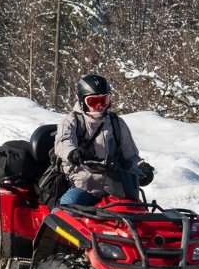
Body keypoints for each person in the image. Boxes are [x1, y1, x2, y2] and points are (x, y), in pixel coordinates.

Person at [54, 73, 153, 207]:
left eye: (104, 100)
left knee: (137, 211)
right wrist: (73, 153)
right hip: (83, 185)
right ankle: (52, 225)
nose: (100, 105)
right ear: (83, 101)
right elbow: (63, 142)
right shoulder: (73, 121)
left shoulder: (116, 123)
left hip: (116, 187)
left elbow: (130, 156)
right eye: (93, 102)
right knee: (68, 205)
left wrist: (142, 168)